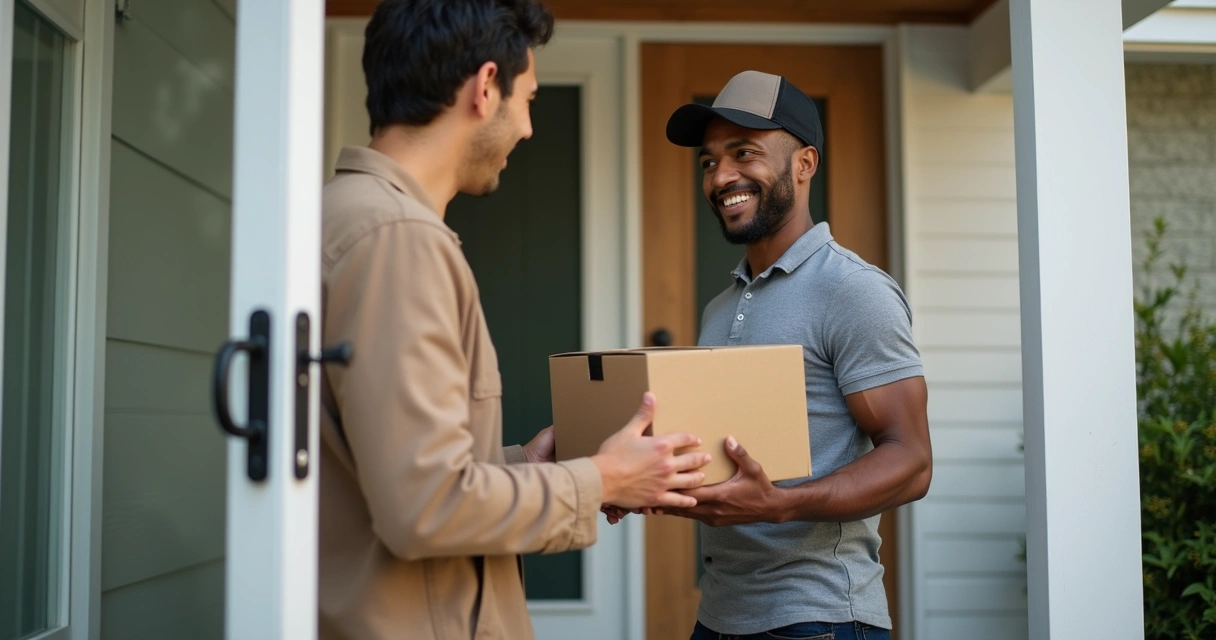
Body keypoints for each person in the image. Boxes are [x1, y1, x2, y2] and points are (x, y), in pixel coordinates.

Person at [315, 1, 711, 638]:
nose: (527, 129)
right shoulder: (398, 239)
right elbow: (426, 507)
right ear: (484, 87)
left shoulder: (342, 214)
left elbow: (382, 465)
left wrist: (527, 465)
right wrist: (603, 479)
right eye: (528, 100)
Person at [657, 70, 932, 640]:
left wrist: (781, 505)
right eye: (709, 162)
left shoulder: (853, 290)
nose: (721, 177)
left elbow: (911, 462)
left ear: (804, 164)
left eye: (744, 153)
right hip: (720, 614)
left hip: (819, 616)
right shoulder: (720, 307)